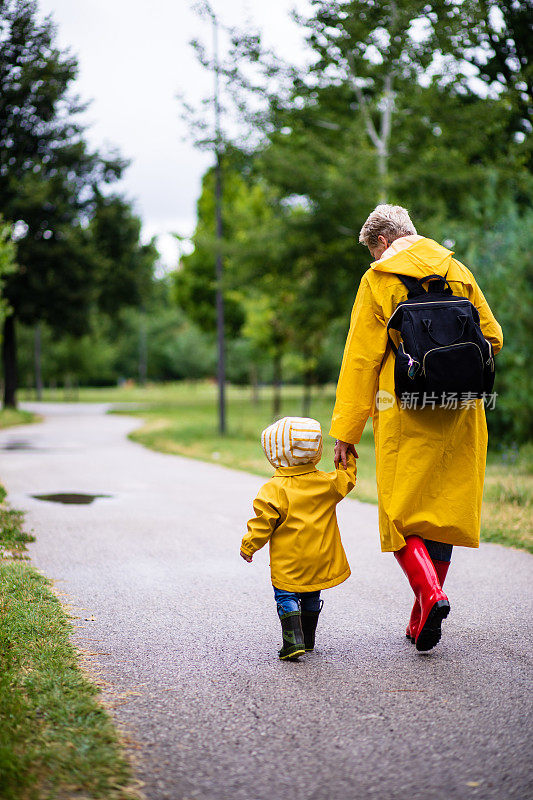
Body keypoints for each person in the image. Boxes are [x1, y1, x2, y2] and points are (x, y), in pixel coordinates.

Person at [330, 204, 503, 652]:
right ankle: (422, 612)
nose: (374, 260)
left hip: (403, 408)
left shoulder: (378, 280)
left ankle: (430, 594)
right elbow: (494, 337)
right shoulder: (456, 268)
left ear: (383, 242)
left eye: (374, 251)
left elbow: (361, 358)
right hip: (461, 408)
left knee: (399, 513)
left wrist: (346, 431)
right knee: (443, 510)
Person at [240, 416, 357, 660]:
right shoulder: (326, 483)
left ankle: (293, 642)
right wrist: (346, 456)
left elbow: (263, 524)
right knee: (312, 593)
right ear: (315, 451)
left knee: (286, 595)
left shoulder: (274, 489)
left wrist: (249, 546)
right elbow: (347, 479)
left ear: (276, 453)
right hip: (319, 557)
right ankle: (309, 639)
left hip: (289, 561)